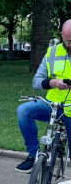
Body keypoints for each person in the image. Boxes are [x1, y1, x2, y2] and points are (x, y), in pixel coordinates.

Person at [16, 19, 71, 172]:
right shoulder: (52, 52)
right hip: (52, 105)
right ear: (62, 35)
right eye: (67, 41)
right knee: (23, 111)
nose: (70, 45)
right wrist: (53, 83)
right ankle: (33, 155)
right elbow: (36, 81)